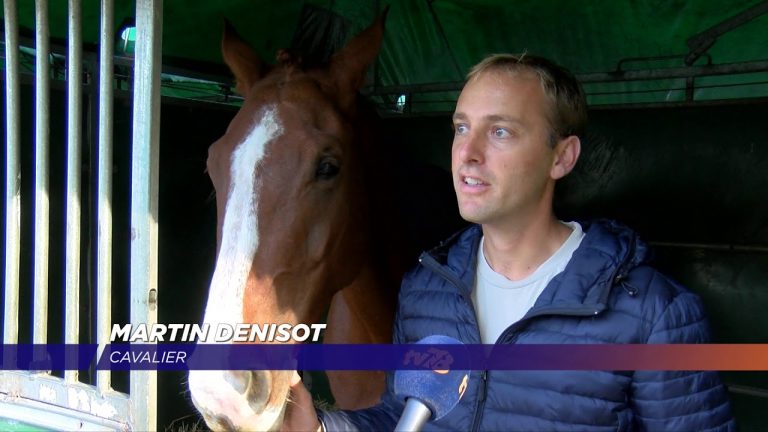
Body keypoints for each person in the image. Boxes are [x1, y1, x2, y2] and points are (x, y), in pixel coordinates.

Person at [284, 53, 736, 431]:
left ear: (562, 157)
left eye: (500, 131)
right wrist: (321, 428)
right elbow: (402, 417)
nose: (468, 153)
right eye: (461, 128)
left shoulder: (654, 313)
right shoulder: (425, 291)